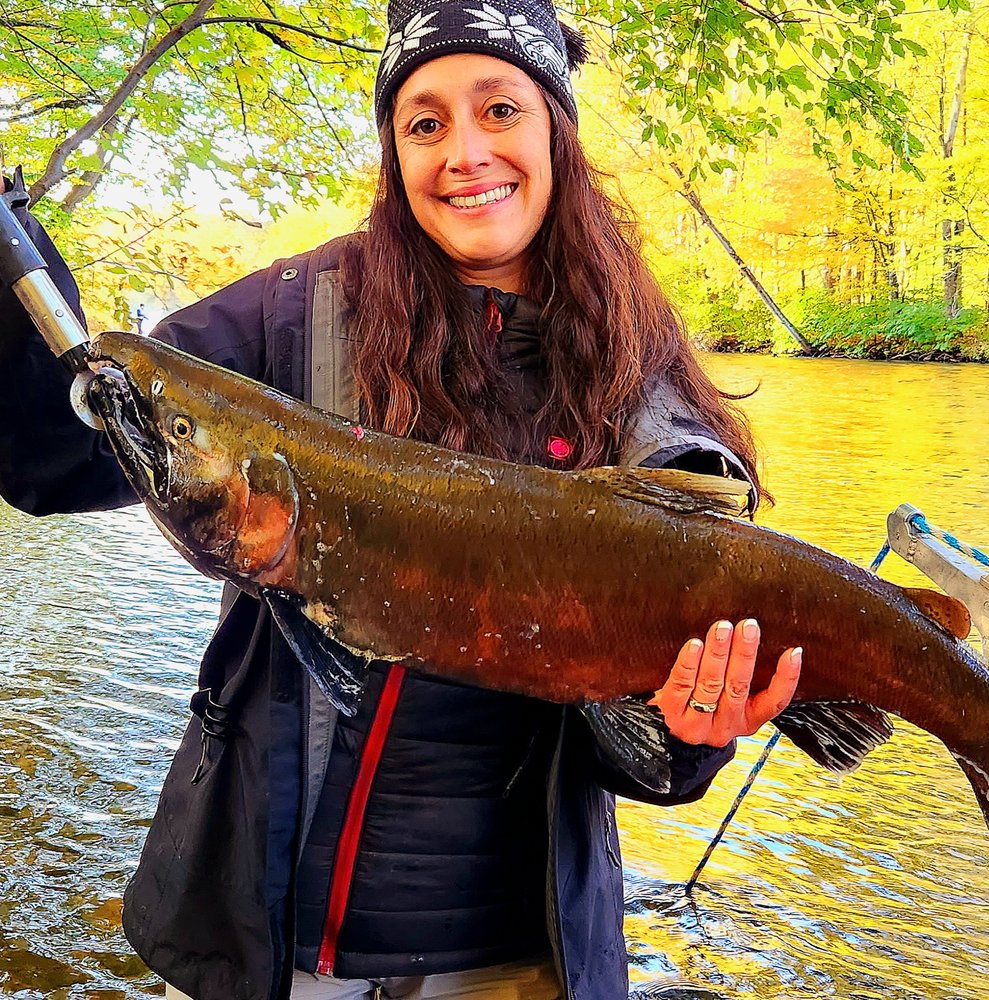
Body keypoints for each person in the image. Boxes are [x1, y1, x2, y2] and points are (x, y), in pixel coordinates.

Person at [0, 0, 802, 997]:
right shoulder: (286, 316)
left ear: (553, 125)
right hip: (267, 947)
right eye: (424, 121)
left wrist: (690, 729)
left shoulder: (637, 376)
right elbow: (50, 456)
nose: (464, 151)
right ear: (393, 149)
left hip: (518, 960)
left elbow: (655, 766)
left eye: (498, 109)